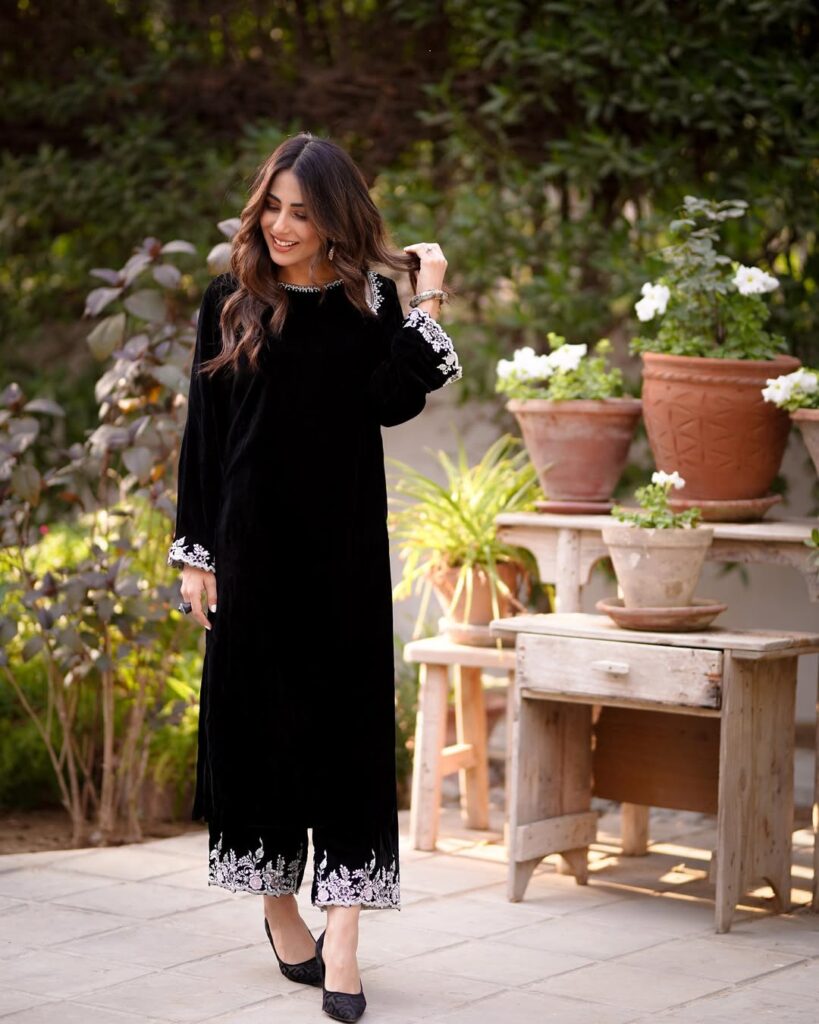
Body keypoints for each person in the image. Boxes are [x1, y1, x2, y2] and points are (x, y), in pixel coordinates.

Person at [167, 131, 462, 1022]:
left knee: (346, 740)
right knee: (257, 739)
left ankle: (345, 943)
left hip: (342, 557)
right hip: (249, 553)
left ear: (336, 217)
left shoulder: (366, 300)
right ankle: (279, 912)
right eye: (272, 206)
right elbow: (204, 436)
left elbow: (394, 401)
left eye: (302, 211)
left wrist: (427, 294)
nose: (282, 225)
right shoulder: (231, 299)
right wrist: (194, 555)